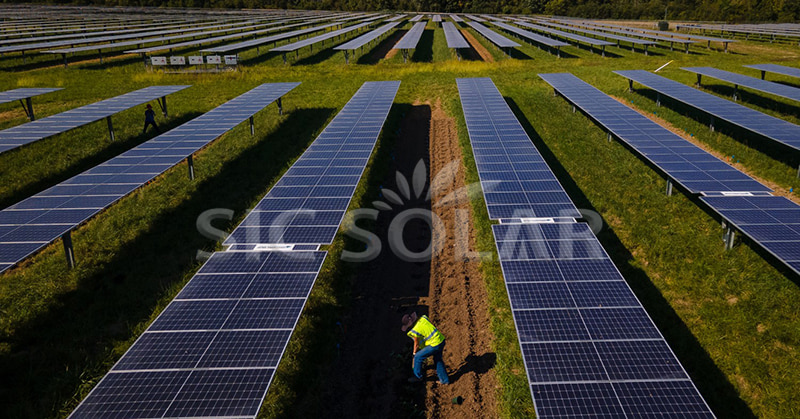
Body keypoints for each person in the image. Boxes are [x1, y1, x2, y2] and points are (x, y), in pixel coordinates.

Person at [402, 312, 450, 384]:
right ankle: (444, 380)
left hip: (434, 344)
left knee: (418, 357)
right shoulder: (423, 318)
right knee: (438, 359)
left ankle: (418, 377)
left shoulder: (414, 330)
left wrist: (414, 354)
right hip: (441, 340)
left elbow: (416, 344)